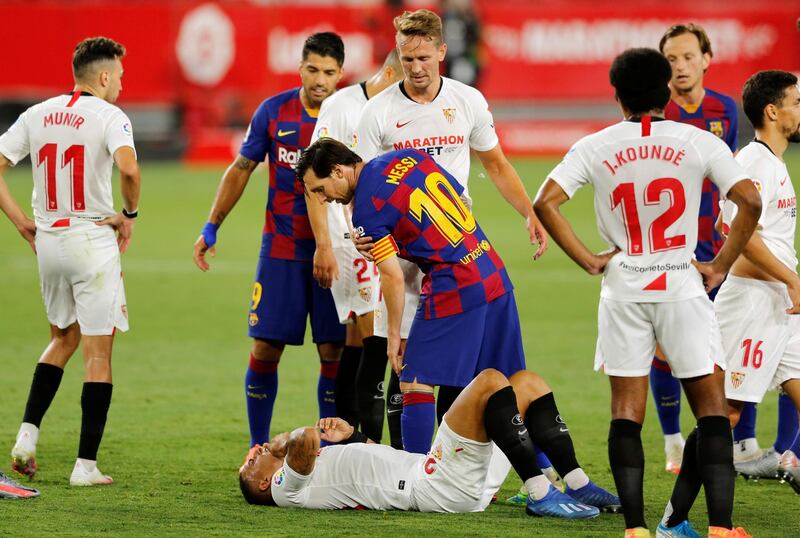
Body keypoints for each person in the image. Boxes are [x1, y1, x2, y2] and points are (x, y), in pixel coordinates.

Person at [295, 137, 619, 515]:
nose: (324, 199)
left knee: (414, 381)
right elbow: (456, 200)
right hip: (490, 269)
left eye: (320, 189)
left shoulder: (366, 207)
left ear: (338, 170)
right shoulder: (406, 157)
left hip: (455, 283)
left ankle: (417, 480)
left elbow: (393, 279)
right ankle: (567, 480)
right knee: (514, 385)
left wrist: (395, 336)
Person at [534, 48, 760, 538]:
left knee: (625, 412)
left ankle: (635, 528)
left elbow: (545, 202)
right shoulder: (698, 140)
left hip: (623, 289)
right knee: (713, 408)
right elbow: (750, 201)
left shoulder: (595, 145)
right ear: (666, 93)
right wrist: (720, 263)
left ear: (616, 94)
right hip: (681, 281)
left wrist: (589, 259)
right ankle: (721, 527)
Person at [354, 9, 549, 474]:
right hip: (402, 263)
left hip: (455, 257)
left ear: (442, 52)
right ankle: (414, 470)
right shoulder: (376, 113)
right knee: (404, 365)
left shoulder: (467, 101)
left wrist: (530, 213)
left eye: (423, 57)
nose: (415, 68)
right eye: (406, 58)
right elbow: (361, 188)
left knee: (458, 371)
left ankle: (459, 468)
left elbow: (496, 164)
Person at [192, 33, 346, 448]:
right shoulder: (273, 112)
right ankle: (257, 445)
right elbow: (241, 168)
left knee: (334, 350)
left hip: (336, 252)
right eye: (313, 69)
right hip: (281, 249)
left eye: (329, 72)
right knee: (265, 348)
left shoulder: (351, 115)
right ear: (300, 67)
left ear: (340, 75)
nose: (320, 79)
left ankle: (329, 451)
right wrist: (212, 224)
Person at [0, 37, 140, 486]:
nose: (121, 82)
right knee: (98, 354)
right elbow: (131, 170)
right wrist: (130, 215)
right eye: (118, 75)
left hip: (49, 241)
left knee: (62, 338)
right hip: (91, 237)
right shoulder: (110, 116)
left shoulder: (37, 113)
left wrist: (21, 220)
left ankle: (26, 438)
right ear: (102, 76)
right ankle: (85, 466)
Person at [239, 368, 615, 518]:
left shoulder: (309, 474)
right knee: (488, 382)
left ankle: (578, 483)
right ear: (261, 482)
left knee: (527, 383)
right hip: (434, 485)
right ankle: (539, 491)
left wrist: (353, 438)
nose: (253, 454)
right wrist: (278, 443)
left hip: (443, 482)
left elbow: (376, 466)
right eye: (250, 463)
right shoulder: (284, 491)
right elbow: (305, 441)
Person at [651, 23, 743, 474]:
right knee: (664, 348)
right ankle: (671, 439)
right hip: (670, 251)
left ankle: (740, 439)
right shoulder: (655, 112)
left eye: (688, 57)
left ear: (707, 58)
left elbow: (732, 181)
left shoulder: (725, 109)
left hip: (718, 246)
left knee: (728, 342)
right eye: (671, 59)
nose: (681, 66)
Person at [307, 50, 404, 444]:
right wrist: (324, 245)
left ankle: (347, 437)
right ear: (393, 70)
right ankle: (376, 444)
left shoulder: (398, 109)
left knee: (358, 338)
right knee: (378, 339)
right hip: (351, 240)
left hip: (382, 233)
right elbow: (313, 176)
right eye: (409, 68)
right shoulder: (341, 106)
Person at [714, 70, 800, 494]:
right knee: (725, 413)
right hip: (752, 302)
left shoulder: (771, 161)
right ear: (773, 111)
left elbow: (728, 222)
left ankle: (791, 458)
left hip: (780, 300)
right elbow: (741, 236)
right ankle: (678, 516)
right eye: (796, 103)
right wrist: (791, 278)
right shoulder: (752, 162)